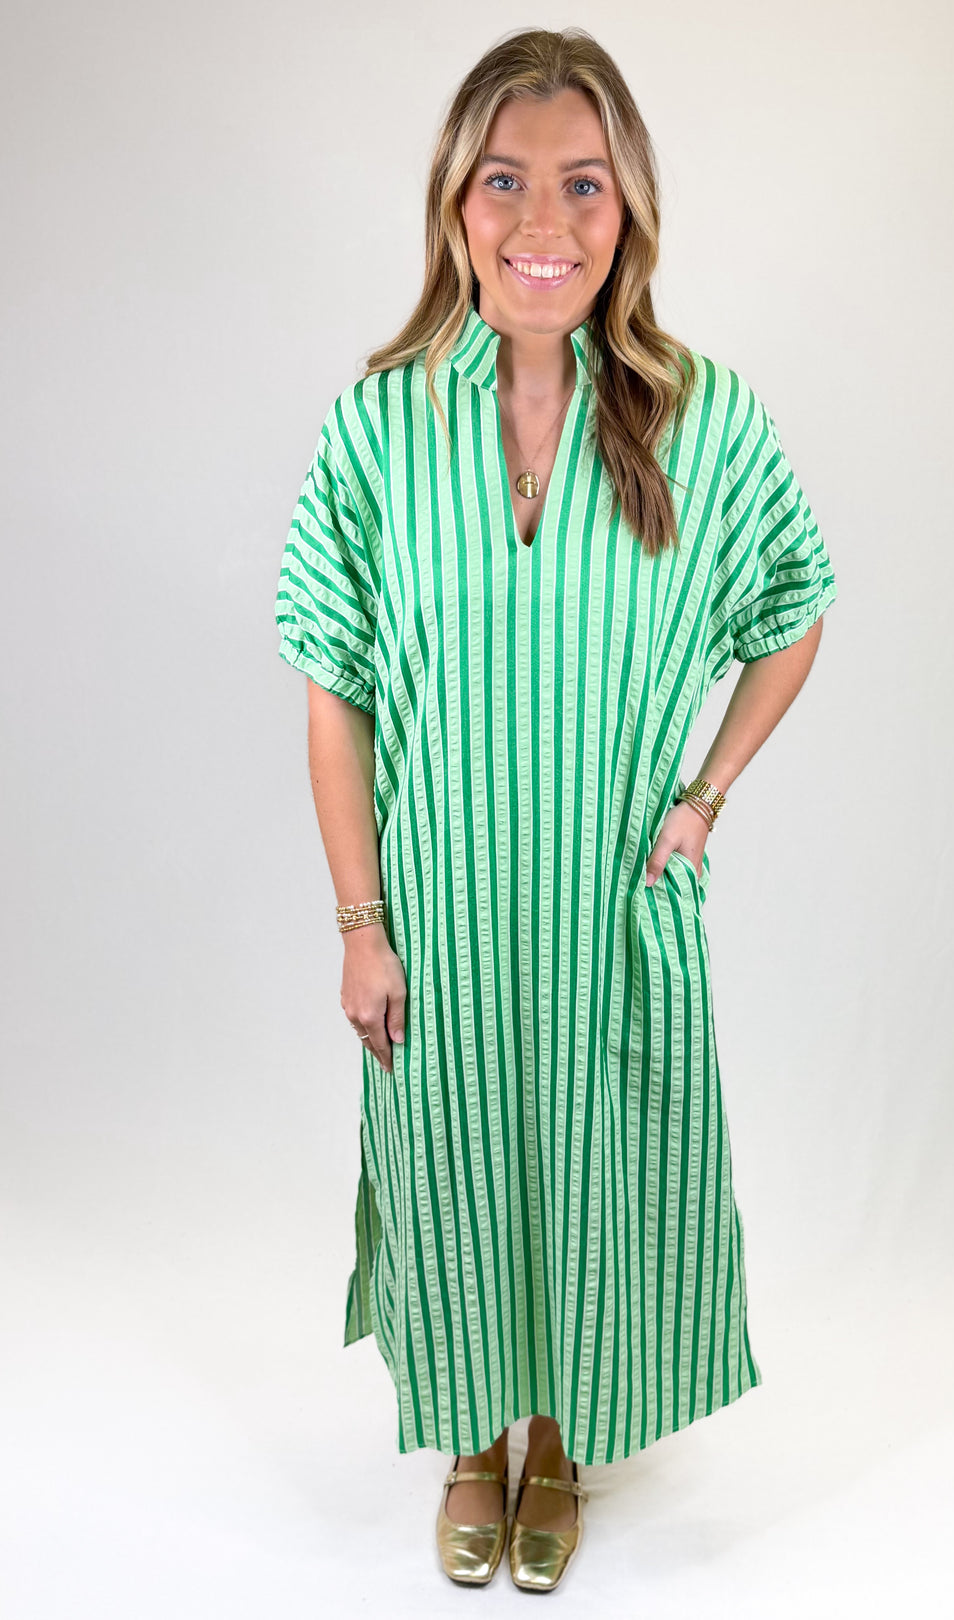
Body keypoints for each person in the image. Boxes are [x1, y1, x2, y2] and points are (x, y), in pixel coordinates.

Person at [274, 26, 836, 1594]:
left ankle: (564, 1439)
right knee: (451, 1163)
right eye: (506, 181)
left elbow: (796, 604)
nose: (545, 222)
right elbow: (336, 687)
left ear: (631, 207)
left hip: (608, 905)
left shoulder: (698, 419)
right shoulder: (380, 425)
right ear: (456, 205)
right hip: (445, 907)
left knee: (596, 1167)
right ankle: (472, 1439)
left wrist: (703, 798)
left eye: (583, 184)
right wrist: (358, 919)